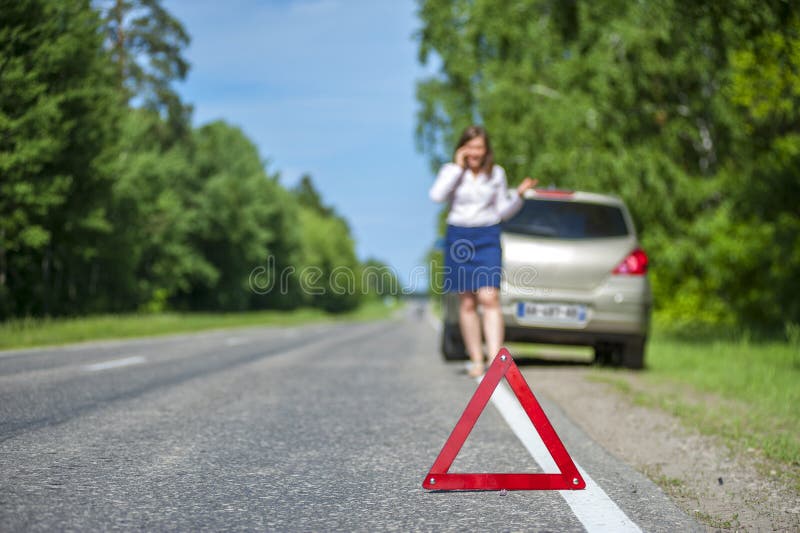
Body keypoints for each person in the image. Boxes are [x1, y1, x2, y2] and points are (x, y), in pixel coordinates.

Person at [429, 125, 536, 377]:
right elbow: (436, 196)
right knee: (467, 301)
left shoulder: (496, 174)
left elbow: (502, 211)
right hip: (459, 236)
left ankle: (494, 360)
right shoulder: (450, 171)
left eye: (480, 147)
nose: (475, 152)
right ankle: (476, 359)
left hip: (487, 235)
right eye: (471, 147)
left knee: (489, 297)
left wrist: (518, 196)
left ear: (486, 150)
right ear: (462, 148)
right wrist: (458, 167)